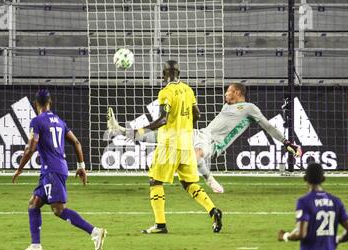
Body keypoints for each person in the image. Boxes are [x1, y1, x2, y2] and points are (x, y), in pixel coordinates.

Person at [107, 83, 301, 193]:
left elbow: (267, 126)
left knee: (195, 156)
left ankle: (209, 178)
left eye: (229, 90)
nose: (226, 92)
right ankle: (122, 132)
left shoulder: (250, 108)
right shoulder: (227, 106)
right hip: (201, 133)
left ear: (238, 93)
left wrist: (286, 142)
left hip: (213, 144)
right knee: (164, 134)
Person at [132, 60, 223, 234]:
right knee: (189, 183)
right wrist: (186, 127)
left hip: (169, 144)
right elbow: (197, 114)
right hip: (186, 144)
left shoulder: (165, 92)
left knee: (155, 181)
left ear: (163, 75)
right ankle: (213, 211)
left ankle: (160, 224)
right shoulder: (188, 90)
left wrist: (141, 130)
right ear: (179, 73)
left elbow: (163, 119)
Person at [13, 89, 107, 250]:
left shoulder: (37, 121)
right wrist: (81, 166)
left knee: (59, 210)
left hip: (52, 171)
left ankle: (95, 232)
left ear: (36, 104)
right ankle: (36, 246)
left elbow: (31, 147)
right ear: (50, 103)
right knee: (34, 204)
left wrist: (20, 168)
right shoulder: (59, 121)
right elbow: (77, 143)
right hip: (54, 169)